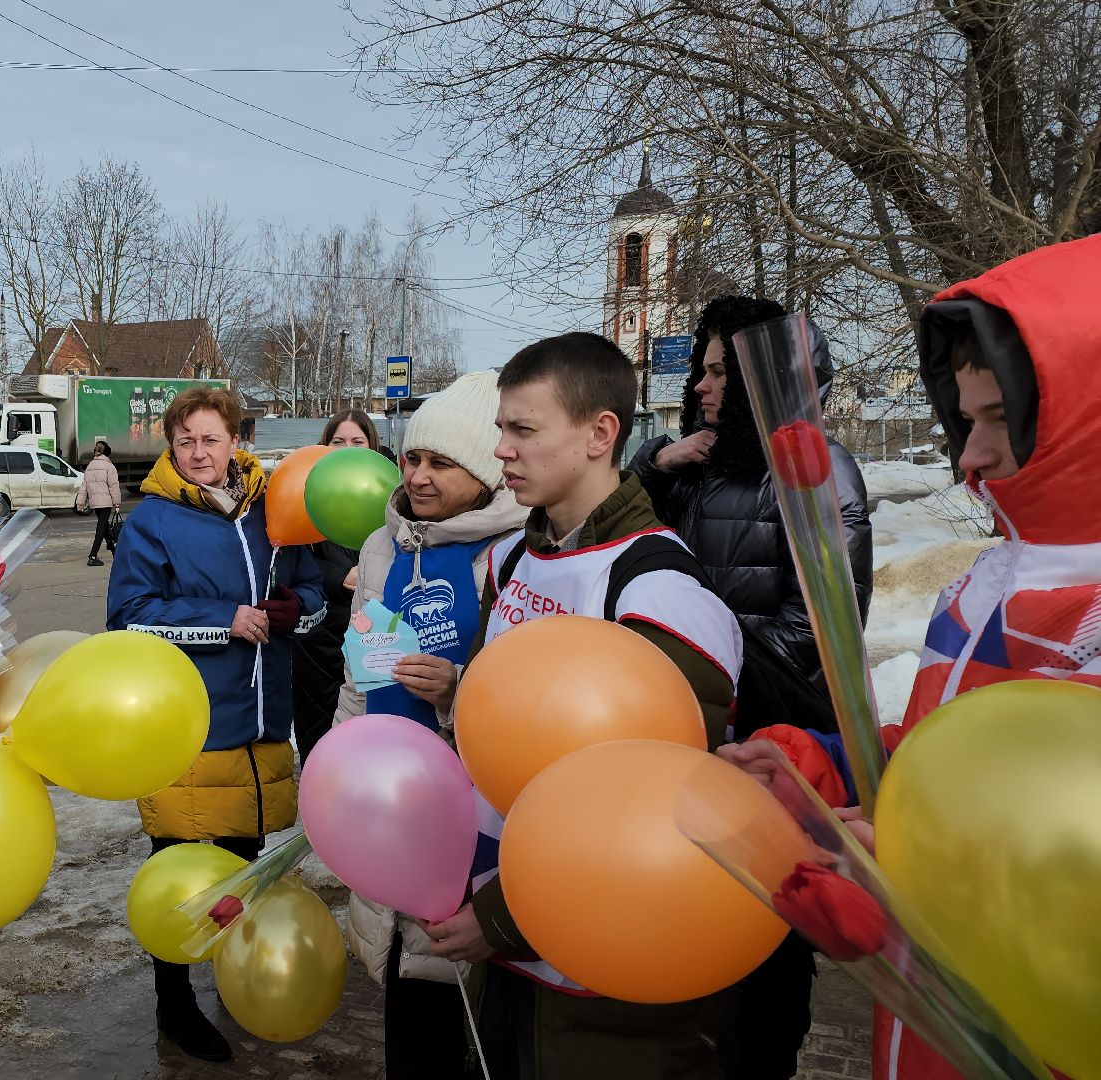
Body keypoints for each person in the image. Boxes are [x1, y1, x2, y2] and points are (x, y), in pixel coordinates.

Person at [720, 235, 1101, 1080]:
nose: (969, 457)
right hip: (929, 1029)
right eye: (965, 420)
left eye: (1002, 419)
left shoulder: (1087, 614)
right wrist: (816, 769)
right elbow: (939, 759)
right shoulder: (988, 587)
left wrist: (915, 855)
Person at [452, 332, 743, 1079]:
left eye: (523, 430)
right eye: (501, 430)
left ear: (599, 433)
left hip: (602, 978)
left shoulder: (658, 592)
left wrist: (497, 923)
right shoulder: (516, 558)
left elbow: (649, 811)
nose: (503, 452)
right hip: (509, 956)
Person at [630, 297, 873, 1080]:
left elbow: (820, 632)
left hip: (774, 747)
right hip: (699, 737)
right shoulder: (703, 466)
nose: (701, 387)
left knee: (766, 950)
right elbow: (640, 552)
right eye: (701, 370)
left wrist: (697, 665)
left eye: (718, 372)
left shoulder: (817, 469)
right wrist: (651, 468)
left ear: (768, 378)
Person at [106, 386, 327, 1063]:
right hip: (187, 731)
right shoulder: (153, 521)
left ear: (236, 440)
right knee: (177, 883)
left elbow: (314, 600)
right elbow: (129, 618)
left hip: (261, 728)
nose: (198, 452)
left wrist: (297, 611)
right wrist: (222, 620)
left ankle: (237, 985)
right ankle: (175, 1006)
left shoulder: (274, 512)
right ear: (171, 448)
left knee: (242, 874)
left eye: (210, 438)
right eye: (185, 441)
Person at [328, 377, 528, 1079]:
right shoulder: (383, 547)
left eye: (440, 463)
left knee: (464, 995)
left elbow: (531, 705)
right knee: (405, 994)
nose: (417, 476)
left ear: (482, 472)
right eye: (413, 459)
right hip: (392, 798)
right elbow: (360, 675)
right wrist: (342, 770)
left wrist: (457, 692)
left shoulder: (515, 551)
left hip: (474, 818)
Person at [290, 409, 387, 765]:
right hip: (319, 634)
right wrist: (337, 575)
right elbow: (289, 560)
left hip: (372, 629)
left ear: (372, 446)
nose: (347, 449)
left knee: (366, 732)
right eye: (338, 442)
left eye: (357, 442)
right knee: (317, 729)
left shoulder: (388, 493)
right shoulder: (306, 494)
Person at [75, 437, 122, 567]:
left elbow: (84, 486)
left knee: (105, 526)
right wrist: (116, 503)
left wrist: (80, 503)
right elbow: (113, 486)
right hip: (106, 502)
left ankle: (114, 550)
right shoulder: (109, 466)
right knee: (101, 529)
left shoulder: (90, 466)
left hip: (95, 503)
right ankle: (93, 556)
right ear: (106, 452)